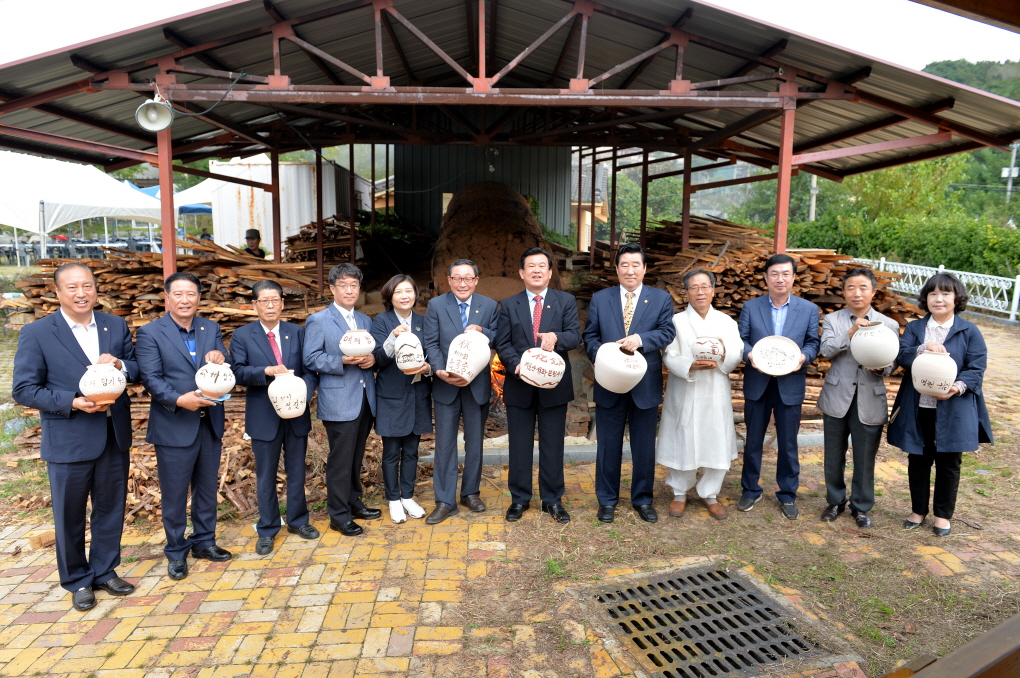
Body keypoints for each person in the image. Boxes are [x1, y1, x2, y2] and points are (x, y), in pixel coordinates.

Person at [13, 263, 138, 611]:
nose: (81, 293)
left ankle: (105, 570)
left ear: (96, 289)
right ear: (57, 292)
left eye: (87, 286)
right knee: (69, 514)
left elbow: (135, 367)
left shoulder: (115, 325)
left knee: (110, 509)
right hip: (68, 437)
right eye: (72, 287)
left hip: (113, 433)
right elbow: (23, 389)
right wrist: (71, 402)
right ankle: (77, 580)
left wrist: (120, 367)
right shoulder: (38, 333)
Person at [136, 272, 232, 580]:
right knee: (175, 494)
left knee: (206, 489)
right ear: (167, 298)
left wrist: (220, 355)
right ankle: (176, 552)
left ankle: (205, 542)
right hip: (174, 422)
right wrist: (179, 399)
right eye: (178, 294)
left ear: (199, 297)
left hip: (209, 422)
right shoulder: (151, 332)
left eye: (191, 294)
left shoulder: (210, 327)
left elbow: (222, 363)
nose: (185, 300)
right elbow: (151, 379)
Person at [888, 272, 992, 537]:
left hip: (953, 408)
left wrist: (956, 387)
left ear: (956, 298)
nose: (939, 298)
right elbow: (901, 354)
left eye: (946, 293)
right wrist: (923, 347)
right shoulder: (915, 329)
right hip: (919, 406)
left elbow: (976, 367)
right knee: (918, 459)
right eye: (933, 293)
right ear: (926, 298)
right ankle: (918, 511)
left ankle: (943, 515)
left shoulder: (969, 330)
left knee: (949, 462)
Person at [583, 242, 675, 524]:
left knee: (644, 446)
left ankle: (643, 499)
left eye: (636, 264)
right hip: (610, 382)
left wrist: (642, 340)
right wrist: (602, 356)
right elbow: (591, 336)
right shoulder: (601, 298)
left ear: (644, 269)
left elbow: (667, 331)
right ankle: (607, 500)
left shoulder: (660, 299)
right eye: (625, 264)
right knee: (607, 445)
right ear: (617, 269)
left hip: (644, 383)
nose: (630, 270)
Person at [230, 280, 320, 554]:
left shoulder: (298, 332)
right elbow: (238, 372)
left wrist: (303, 394)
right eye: (264, 301)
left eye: (275, 300)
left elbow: (310, 369)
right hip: (263, 415)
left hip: (296, 413)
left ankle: (297, 521)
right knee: (266, 475)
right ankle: (267, 528)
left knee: (296, 471)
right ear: (254, 305)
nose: (270, 305)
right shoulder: (243, 335)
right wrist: (265, 371)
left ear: (282, 303)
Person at [495, 247, 582, 524]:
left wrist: (556, 337)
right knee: (519, 445)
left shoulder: (565, 301)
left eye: (541, 266)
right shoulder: (509, 304)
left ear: (550, 272)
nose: (536, 270)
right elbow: (503, 343)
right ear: (521, 273)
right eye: (530, 266)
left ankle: (552, 500)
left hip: (553, 386)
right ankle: (519, 499)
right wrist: (516, 365)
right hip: (520, 383)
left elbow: (575, 336)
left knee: (553, 445)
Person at [738, 253, 820, 520]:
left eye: (786, 273)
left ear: (794, 277)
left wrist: (803, 357)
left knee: (788, 442)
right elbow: (741, 341)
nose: (780, 279)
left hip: (790, 382)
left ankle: (787, 493)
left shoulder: (808, 309)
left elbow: (812, 343)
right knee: (752, 440)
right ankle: (750, 489)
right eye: (775, 274)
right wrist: (750, 354)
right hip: (758, 381)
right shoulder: (751, 307)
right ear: (766, 277)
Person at [658, 269, 742, 521]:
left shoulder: (727, 322)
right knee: (682, 435)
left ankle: (710, 494)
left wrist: (725, 356)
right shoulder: (676, 322)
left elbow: (737, 350)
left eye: (705, 286)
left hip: (715, 386)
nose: (700, 292)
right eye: (694, 287)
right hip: (686, 385)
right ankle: (679, 492)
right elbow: (668, 355)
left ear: (713, 290)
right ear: (686, 293)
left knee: (715, 436)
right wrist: (689, 365)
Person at [817, 268, 899, 528]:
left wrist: (882, 368)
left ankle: (861, 506)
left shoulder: (890, 324)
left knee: (865, 457)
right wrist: (851, 332)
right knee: (833, 454)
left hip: (869, 397)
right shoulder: (834, 320)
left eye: (863, 287)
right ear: (843, 292)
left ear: (874, 292)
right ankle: (835, 501)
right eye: (850, 287)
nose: (856, 293)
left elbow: (892, 363)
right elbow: (826, 350)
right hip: (837, 396)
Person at [303, 263, 380, 536]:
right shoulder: (319, 320)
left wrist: (372, 359)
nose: (349, 291)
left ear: (359, 289)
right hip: (338, 401)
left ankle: (353, 501)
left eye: (354, 285)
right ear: (332, 289)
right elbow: (310, 358)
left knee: (356, 456)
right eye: (343, 285)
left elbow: (372, 352)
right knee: (340, 459)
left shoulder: (365, 321)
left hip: (364, 398)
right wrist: (341, 360)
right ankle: (338, 514)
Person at [422, 259, 499, 524]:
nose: (462, 283)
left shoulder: (488, 305)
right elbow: (431, 343)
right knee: (444, 445)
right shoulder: (436, 305)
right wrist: (440, 370)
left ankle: (470, 493)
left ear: (476, 280)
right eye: (457, 278)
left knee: (475, 443)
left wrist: (483, 330)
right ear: (449, 280)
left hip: (476, 385)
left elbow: (499, 336)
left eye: (468, 278)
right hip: (446, 384)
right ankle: (445, 500)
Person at [370, 275, 433, 524]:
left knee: (412, 451)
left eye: (409, 291)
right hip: (391, 396)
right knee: (391, 452)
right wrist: (392, 338)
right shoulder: (382, 321)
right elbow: (378, 359)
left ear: (415, 295)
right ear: (389, 296)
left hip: (418, 394)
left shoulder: (424, 322)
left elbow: (433, 353)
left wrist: (428, 368)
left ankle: (408, 496)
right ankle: (393, 500)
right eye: (399, 292)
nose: (405, 296)